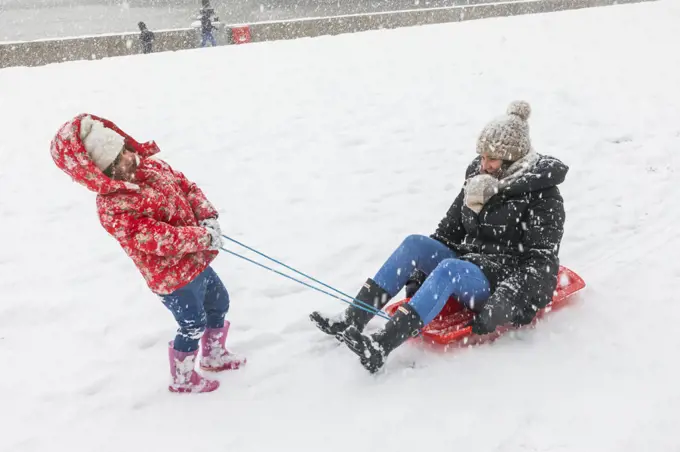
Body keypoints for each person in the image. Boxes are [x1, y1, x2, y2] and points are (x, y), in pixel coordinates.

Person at [310, 101, 568, 373]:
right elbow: (447, 233)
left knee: (450, 270)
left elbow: (541, 265)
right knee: (415, 244)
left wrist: (506, 302)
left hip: (500, 279)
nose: (484, 165)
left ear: (513, 159)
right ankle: (352, 319)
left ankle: (380, 346)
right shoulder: (478, 180)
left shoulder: (543, 197)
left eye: (492, 159)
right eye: (481, 156)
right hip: (470, 260)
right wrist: (420, 275)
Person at [50, 114, 246, 393]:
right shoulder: (114, 208)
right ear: (102, 172)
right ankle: (183, 378)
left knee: (219, 303)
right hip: (171, 279)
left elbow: (187, 187)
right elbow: (159, 239)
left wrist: (207, 217)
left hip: (197, 259)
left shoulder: (153, 168)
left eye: (125, 149)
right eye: (117, 160)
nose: (130, 158)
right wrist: (202, 237)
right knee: (193, 324)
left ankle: (214, 355)